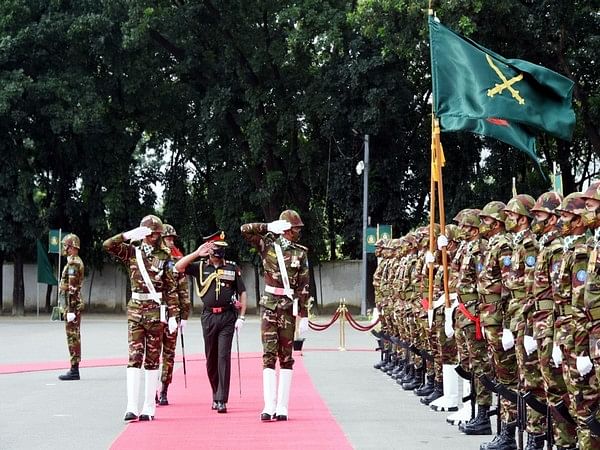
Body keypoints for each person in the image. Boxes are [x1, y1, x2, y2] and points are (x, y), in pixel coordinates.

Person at [103, 215, 179, 422]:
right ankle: (131, 407)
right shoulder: (131, 251)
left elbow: (171, 289)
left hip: (155, 311)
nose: (154, 237)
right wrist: (127, 235)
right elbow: (107, 245)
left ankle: (149, 406)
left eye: (156, 234)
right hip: (136, 310)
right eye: (151, 233)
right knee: (134, 357)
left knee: (153, 359)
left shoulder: (165, 256)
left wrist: (174, 315)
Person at [241, 209, 310, 421]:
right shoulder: (268, 245)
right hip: (270, 306)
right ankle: (268, 404)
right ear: (286, 229)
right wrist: (268, 227)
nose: (298, 232)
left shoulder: (301, 253)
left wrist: (304, 313)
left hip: (288, 307)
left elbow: (304, 285)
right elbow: (244, 230)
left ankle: (282, 406)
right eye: (295, 228)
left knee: (286, 357)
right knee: (268, 355)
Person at [175, 231, 247, 414]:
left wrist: (242, 316)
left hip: (227, 317)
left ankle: (222, 399)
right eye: (215, 249)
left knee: (223, 356)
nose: (219, 253)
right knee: (211, 358)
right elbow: (178, 267)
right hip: (208, 317)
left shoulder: (232, 268)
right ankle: (215, 392)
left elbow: (242, 292)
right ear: (209, 250)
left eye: (221, 249)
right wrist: (196, 253)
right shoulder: (199, 267)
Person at [157, 224, 191, 406]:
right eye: (167, 238)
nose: (170, 241)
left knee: (169, 353)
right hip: (155, 310)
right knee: (153, 353)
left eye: (172, 238)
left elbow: (183, 289)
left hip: (173, 311)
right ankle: (152, 388)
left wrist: (184, 315)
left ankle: (164, 389)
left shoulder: (178, 258)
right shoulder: (153, 257)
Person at [57, 233, 85, 381]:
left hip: (72, 305)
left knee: (73, 337)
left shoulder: (74, 263)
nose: (64, 248)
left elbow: (73, 288)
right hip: (71, 305)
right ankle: (74, 368)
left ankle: (74, 370)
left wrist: (71, 310)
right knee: (73, 336)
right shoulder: (72, 261)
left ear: (72, 247)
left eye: (66, 246)